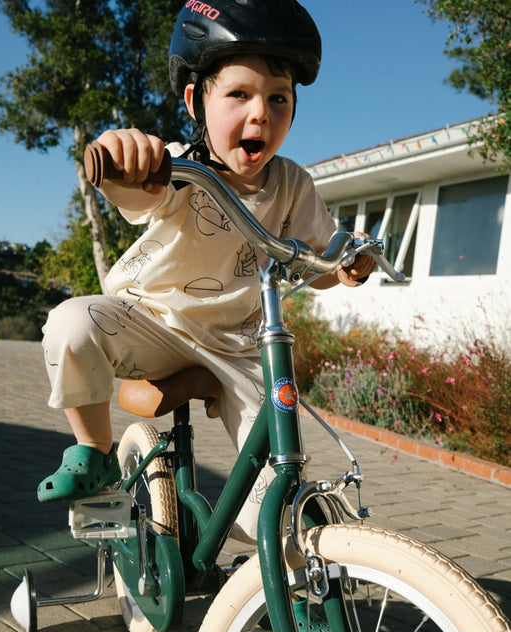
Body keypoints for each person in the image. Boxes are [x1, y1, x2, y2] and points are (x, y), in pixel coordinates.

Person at [38, 0, 375, 542]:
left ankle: (285, 557)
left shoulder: (293, 185)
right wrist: (120, 153)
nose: (261, 113)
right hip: (153, 322)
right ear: (197, 99)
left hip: (238, 345)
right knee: (71, 326)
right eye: (239, 94)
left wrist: (346, 266)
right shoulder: (176, 165)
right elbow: (133, 186)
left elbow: (319, 257)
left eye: (278, 98)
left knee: (280, 474)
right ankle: (95, 454)